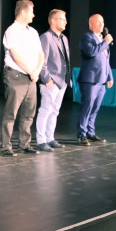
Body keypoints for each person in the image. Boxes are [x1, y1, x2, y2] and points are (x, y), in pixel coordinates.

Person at [0, 0, 45, 157]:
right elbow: (17, 56)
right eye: (31, 11)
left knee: (28, 113)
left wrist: (36, 71)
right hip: (16, 76)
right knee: (11, 114)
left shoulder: (33, 32)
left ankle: (24, 144)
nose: (34, 15)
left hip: (31, 77)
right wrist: (31, 72)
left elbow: (41, 54)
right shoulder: (12, 31)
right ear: (23, 12)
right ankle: (6, 146)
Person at [35, 9, 71, 152]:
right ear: (53, 21)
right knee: (45, 110)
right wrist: (47, 80)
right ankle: (41, 140)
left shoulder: (64, 38)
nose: (65, 22)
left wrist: (67, 79)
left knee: (55, 111)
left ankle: (50, 138)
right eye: (62, 19)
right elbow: (41, 60)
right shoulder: (45, 37)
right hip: (51, 82)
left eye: (65, 19)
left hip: (62, 81)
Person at [77, 14, 114, 145]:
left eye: (102, 22)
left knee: (95, 108)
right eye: (98, 22)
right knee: (87, 107)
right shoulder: (86, 37)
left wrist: (109, 76)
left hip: (101, 80)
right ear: (90, 24)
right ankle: (81, 134)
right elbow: (91, 52)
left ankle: (90, 132)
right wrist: (105, 42)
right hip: (90, 80)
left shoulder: (103, 39)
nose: (101, 24)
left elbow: (106, 60)